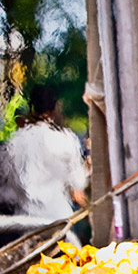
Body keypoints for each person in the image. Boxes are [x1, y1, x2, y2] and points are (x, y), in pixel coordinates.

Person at [0, 86, 88, 222]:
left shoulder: (14, 143)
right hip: (58, 218)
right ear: (54, 111)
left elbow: (8, 186)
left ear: (32, 109)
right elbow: (78, 183)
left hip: (24, 220)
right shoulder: (66, 140)